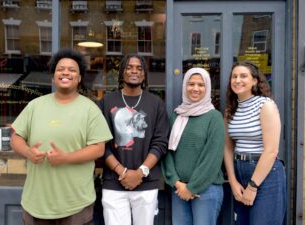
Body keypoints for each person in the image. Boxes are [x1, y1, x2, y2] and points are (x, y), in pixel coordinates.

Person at [10, 48, 113, 225]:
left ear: (79, 78)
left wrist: (65, 158)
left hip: (75, 204)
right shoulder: (35, 105)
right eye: (60, 69)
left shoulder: (90, 110)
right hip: (36, 203)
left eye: (72, 70)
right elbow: (16, 137)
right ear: (53, 76)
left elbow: (98, 149)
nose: (65, 72)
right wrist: (28, 152)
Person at [98, 54, 169, 225]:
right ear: (122, 72)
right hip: (113, 183)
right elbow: (101, 144)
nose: (134, 71)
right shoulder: (107, 101)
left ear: (144, 74)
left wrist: (140, 172)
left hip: (146, 182)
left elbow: (160, 143)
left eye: (139, 68)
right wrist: (122, 172)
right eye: (129, 67)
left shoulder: (155, 103)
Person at [224, 61, 286, 225]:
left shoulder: (265, 105)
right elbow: (228, 147)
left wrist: (252, 186)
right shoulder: (231, 110)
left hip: (265, 174)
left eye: (243, 76)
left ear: (255, 81)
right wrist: (233, 181)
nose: (237, 80)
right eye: (234, 76)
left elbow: (271, 150)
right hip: (240, 170)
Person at [162, 67, 225, 225]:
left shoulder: (214, 117)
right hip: (179, 189)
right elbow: (167, 152)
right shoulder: (177, 115)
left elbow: (212, 158)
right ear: (185, 86)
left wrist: (192, 188)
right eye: (191, 84)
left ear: (208, 88)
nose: (195, 88)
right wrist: (177, 183)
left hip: (206, 190)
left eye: (201, 85)